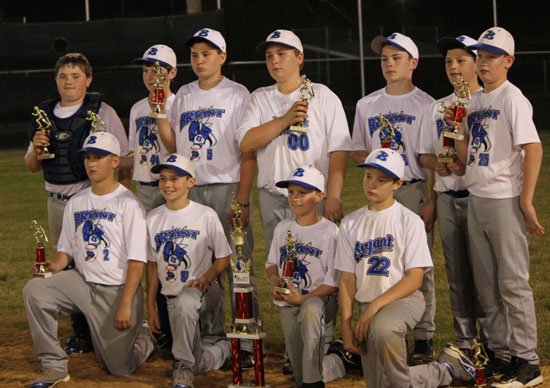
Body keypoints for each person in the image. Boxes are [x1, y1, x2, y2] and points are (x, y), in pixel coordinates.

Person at [156, 28, 259, 367]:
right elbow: (175, 147)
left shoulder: (238, 94)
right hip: (192, 189)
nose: (199, 60)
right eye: (195, 55)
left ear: (222, 57)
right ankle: (212, 336)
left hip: (227, 186)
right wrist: (159, 112)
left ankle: (246, 340)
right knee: (201, 266)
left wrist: (242, 198)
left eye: (207, 53)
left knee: (238, 266)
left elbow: (248, 150)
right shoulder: (183, 94)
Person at [336, 148, 476, 388]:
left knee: (383, 328)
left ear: (398, 183)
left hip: (404, 299)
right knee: (381, 382)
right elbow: (347, 279)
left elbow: (414, 279)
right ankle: (446, 368)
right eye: (368, 176)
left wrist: (375, 307)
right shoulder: (351, 223)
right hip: (368, 304)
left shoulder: (408, 220)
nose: (372, 184)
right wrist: (346, 325)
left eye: (381, 180)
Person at [23, 132, 154, 388]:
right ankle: (54, 366)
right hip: (82, 283)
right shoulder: (77, 201)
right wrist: (55, 266)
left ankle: (144, 338)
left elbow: (137, 261)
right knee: (35, 290)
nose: (91, 164)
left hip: (116, 291)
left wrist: (126, 302)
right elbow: (66, 250)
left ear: (115, 161)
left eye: (99, 158)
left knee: (118, 368)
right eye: (88, 158)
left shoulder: (129, 204)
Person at [452, 27, 544, 388]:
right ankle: (503, 355)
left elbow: (533, 149)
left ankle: (528, 362)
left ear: (509, 61)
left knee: (512, 282)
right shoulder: (475, 101)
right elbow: (466, 159)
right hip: (477, 197)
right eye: (480, 56)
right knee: (487, 285)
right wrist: (457, 130)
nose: (483, 62)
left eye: (491, 56)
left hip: (504, 199)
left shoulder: (512, 98)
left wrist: (525, 200)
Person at [24, 52, 131, 355]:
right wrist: (36, 148)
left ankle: (109, 323)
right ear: (55, 80)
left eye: (75, 76)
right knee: (64, 264)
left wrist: (119, 194)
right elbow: (32, 166)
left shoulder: (102, 112)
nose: (68, 82)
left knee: (96, 261)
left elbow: (123, 158)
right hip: (57, 201)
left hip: (91, 198)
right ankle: (80, 332)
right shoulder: (42, 115)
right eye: (62, 76)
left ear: (88, 80)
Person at [351, 32, 437, 364]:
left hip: (414, 188)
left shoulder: (427, 104)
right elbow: (358, 145)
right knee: (375, 263)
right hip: (380, 190)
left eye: (396, 57)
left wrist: (431, 199)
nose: (389, 63)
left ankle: (423, 338)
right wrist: (375, 170)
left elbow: (432, 157)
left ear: (413, 63)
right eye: (385, 58)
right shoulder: (367, 104)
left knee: (419, 266)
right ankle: (373, 332)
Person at [237, 29, 352, 251]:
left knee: (317, 257)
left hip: (312, 195)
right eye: (269, 56)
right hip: (273, 196)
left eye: (281, 54)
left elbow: (338, 150)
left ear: (300, 57)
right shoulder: (259, 97)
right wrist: (284, 120)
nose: (274, 61)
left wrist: (334, 196)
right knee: (280, 262)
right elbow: (245, 143)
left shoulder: (322, 95)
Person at [418, 35, 488, 355]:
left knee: (485, 275)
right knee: (457, 276)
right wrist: (440, 165)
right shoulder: (436, 107)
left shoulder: (488, 103)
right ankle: (464, 342)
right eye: (448, 61)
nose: (454, 66)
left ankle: (490, 343)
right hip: (447, 199)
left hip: (479, 199)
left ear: (477, 63)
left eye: (461, 59)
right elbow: (424, 157)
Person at [146, 153, 232, 388]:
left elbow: (224, 257)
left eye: (175, 179)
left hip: (204, 291)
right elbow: (152, 265)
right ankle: (224, 349)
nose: (167, 184)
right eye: (163, 179)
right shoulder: (153, 218)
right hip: (170, 296)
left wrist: (207, 277)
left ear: (190, 182)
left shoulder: (205, 214)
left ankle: (182, 365)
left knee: (186, 305)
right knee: (200, 362)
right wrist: (151, 306)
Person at [266, 165, 347, 388]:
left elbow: (333, 284)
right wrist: (274, 280)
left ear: (320, 196)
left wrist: (302, 299)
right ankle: (337, 361)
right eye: (291, 192)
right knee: (300, 371)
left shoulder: (330, 231)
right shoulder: (283, 228)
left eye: (303, 193)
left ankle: (315, 383)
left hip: (321, 301)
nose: (295, 198)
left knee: (310, 309)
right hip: (288, 301)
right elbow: (272, 264)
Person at [126, 44, 178, 212]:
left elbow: (177, 148)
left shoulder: (179, 105)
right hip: (143, 188)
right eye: (145, 70)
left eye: (155, 71)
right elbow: (134, 155)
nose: (149, 77)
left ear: (172, 73)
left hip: (171, 187)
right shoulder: (137, 108)